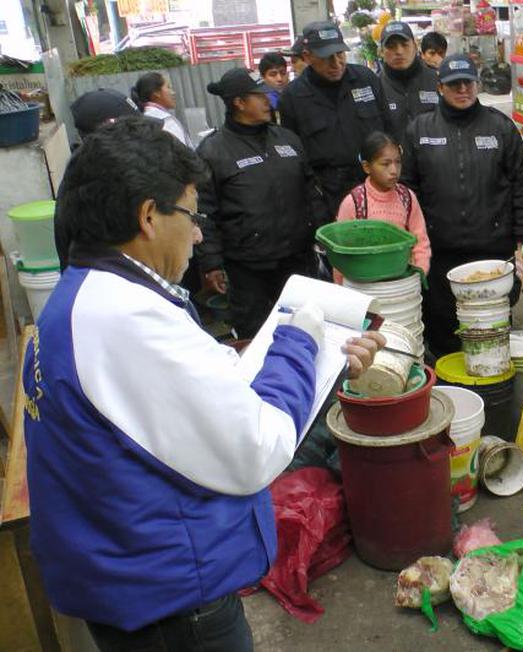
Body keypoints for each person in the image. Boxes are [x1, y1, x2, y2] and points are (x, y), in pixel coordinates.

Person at [24, 116, 382, 650]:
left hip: (128, 582)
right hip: (171, 606)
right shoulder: (124, 319)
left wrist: (319, 369)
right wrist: (301, 341)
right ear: (149, 215)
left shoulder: (84, 297)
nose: (197, 233)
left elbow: (193, 401)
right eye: (191, 215)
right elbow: (256, 449)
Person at [401, 53, 523, 358]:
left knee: (491, 333)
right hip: (439, 255)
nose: (462, 89)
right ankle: (452, 397)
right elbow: (407, 193)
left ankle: (495, 397)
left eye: (468, 82)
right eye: (454, 84)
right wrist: (412, 245)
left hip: (492, 253)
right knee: (444, 335)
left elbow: (522, 184)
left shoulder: (500, 127)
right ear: (440, 88)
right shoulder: (419, 130)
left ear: (477, 84)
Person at [196, 68, 326, 339]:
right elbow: (205, 212)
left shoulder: (287, 139)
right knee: (255, 336)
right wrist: (211, 263)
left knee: (303, 330)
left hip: (296, 262)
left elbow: (311, 191)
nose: (269, 101)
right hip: (247, 268)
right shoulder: (214, 150)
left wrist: (322, 234)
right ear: (239, 103)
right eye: (260, 96)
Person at [279, 21, 392, 220]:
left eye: (340, 54)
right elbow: (294, 158)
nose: (336, 63)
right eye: (326, 57)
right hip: (328, 196)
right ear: (307, 57)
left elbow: (388, 129)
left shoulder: (366, 79)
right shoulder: (293, 97)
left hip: (373, 185)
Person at [57, 89, 142, 270]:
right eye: (132, 130)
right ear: (107, 133)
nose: (141, 138)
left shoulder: (91, 168)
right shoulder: (93, 185)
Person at [335, 131, 431, 283]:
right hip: (365, 288)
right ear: (367, 167)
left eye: (398, 162)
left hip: (402, 284)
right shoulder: (354, 202)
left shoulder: (407, 198)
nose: (394, 171)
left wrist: (419, 274)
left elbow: (420, 242)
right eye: (385, 164)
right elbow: (340, 253)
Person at [378, 21, 439, 143]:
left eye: (405, 45)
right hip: (394, 160)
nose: (399, 51)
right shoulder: (376, 86)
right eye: (391, 46)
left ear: (416, 46)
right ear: (381, 52)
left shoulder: (437, 80)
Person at [131, 71, 193, 148]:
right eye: (168, 87)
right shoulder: (160, 121)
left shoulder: (153, 118)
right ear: (156, 93)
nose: (173, 92)